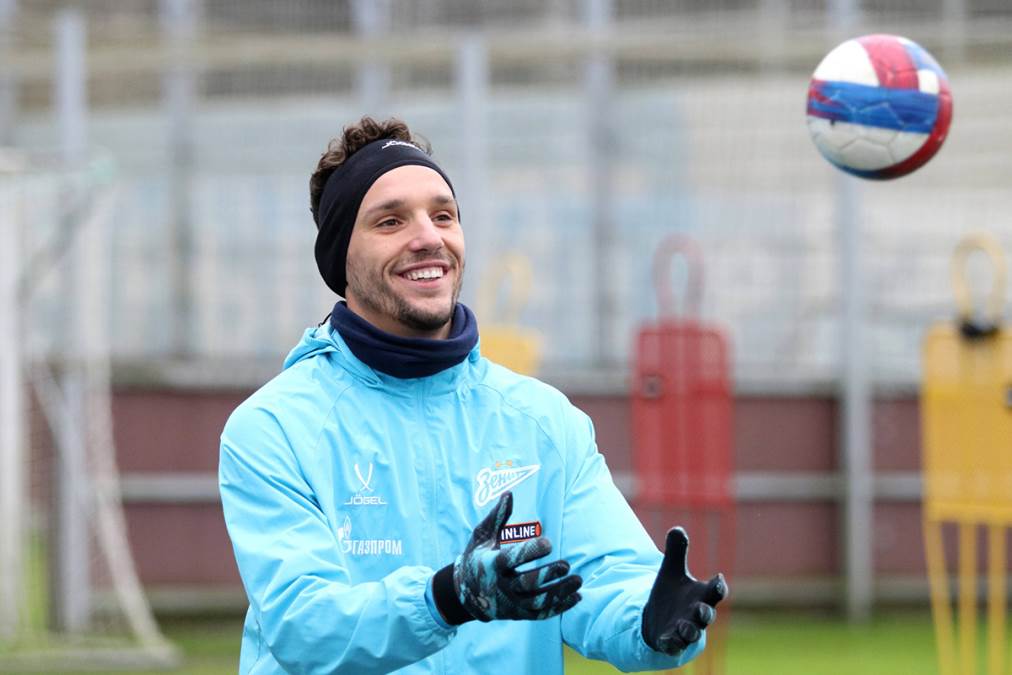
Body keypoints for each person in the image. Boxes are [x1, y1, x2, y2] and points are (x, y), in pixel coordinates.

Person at [219, 116, 727, 674]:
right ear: (341, 257)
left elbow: (605, 581)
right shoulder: (273, 428)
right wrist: (447, 598)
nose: (428, 237)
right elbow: (305, 626)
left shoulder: (543, 421)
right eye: (390, 221)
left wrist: (649, 622)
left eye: (443, 215)